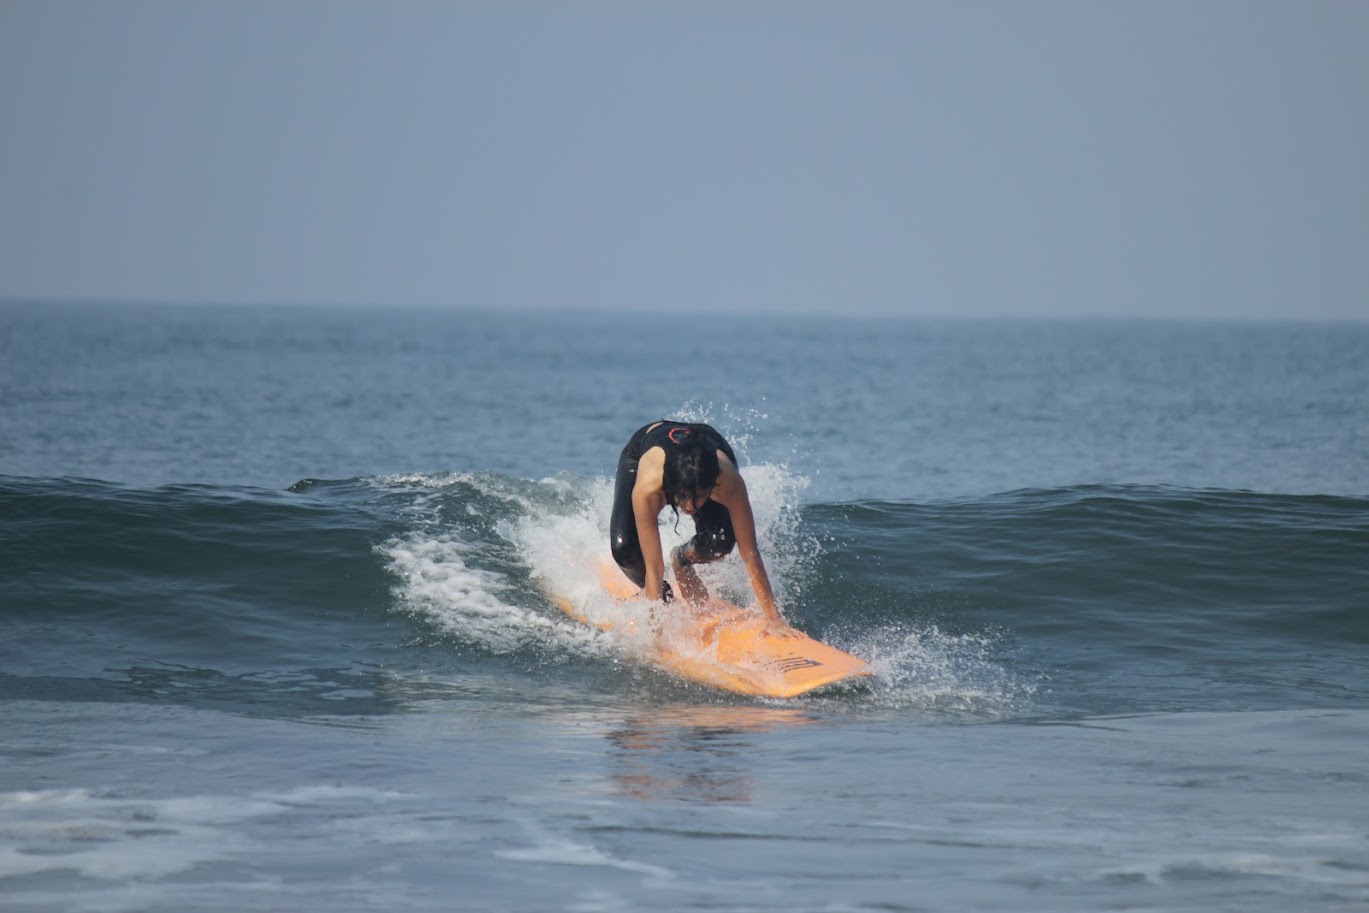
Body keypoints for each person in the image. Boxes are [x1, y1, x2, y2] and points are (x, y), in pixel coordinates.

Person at [609, 420, 788, 631]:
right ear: (671, 488)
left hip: (706, 450)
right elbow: (654, 567)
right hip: (647, 447)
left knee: (720, 542)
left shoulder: (728, 481)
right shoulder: (648, 490)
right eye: (682, 497)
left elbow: (750, 553)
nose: (689, 506)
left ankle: (682, 560)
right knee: (624, 549)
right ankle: (663, 594)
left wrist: (774, 620)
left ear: (712, 487)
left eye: (700, 496)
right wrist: (655, 632)